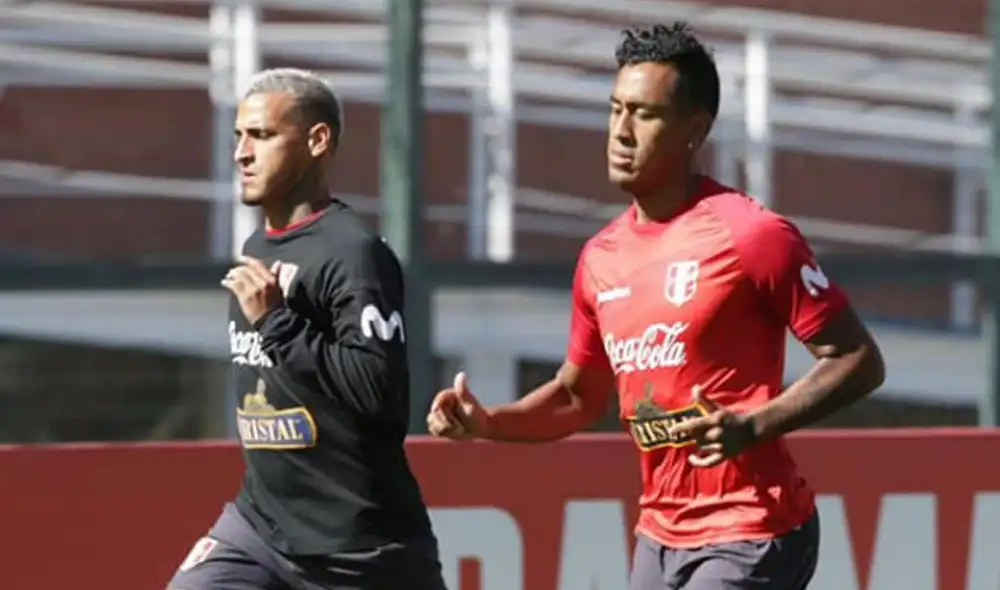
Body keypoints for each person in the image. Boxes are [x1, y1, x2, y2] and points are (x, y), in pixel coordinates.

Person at [427, 22, 885, 590]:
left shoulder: (752, 235)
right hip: (659, 536)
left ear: (695, 130)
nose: (621, 131)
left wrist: (754, 424)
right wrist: (488, 422)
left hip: (753, 528)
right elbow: (576, 397)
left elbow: (857, 358)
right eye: (616, 109)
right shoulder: (601, 257)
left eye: (643, 114)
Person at [168, 68, 446, 590]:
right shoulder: (257, 249)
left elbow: (376, 389)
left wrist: (276, 322)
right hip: (260, 527)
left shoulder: (353, 253)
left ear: (318, 140)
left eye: (262, 136)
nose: (242, 154)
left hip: (358, 549)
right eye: (239, 137)